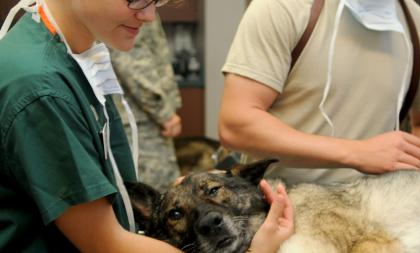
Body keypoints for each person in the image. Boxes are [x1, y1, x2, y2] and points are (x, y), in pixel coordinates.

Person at [0, 0, 294, 252]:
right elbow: (106, 244)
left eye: (157, 1)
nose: (149, 15)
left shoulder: (73, 56)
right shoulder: (40, 88)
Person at [220, 0, 420, 186]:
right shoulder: (283, 7)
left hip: (378, 213)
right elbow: (236, 123)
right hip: (281, 209)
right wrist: (356, 153)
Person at [110, 16, 182, 191]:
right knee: (155, 197)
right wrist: (164, 113)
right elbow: (132, 62)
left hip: (138, 117)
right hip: (140, 120)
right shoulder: (135, 8)